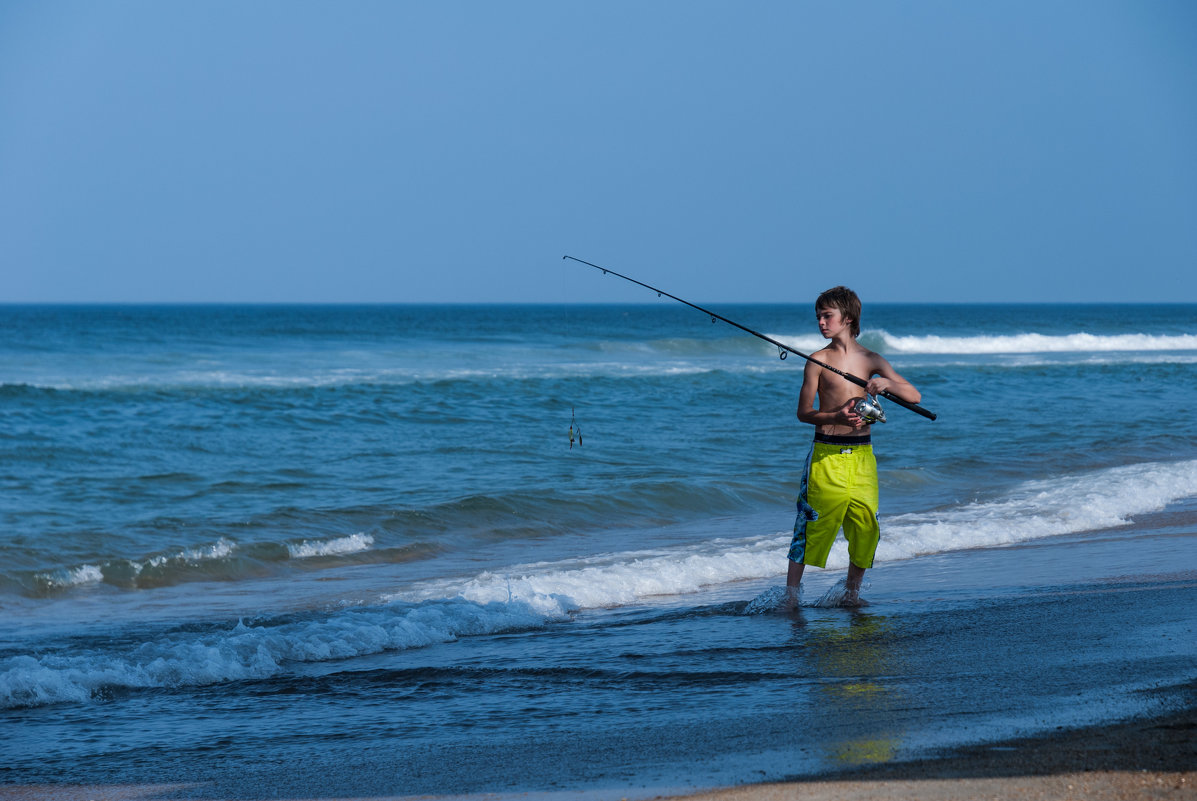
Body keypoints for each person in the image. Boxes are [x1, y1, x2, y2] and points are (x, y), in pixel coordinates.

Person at [784, 286, 921, 608]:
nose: (821, 322)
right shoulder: (817, 360)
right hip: (826, 456)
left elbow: (914, 396)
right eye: (818, 316)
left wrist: (888, 384)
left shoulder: (871, 359)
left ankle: (851, 594)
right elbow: (804, 413)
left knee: (866, 527)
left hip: (862, 457)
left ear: (847, 318)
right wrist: (836, 415)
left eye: (827, 315)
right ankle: (790, 599)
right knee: (812, 526)